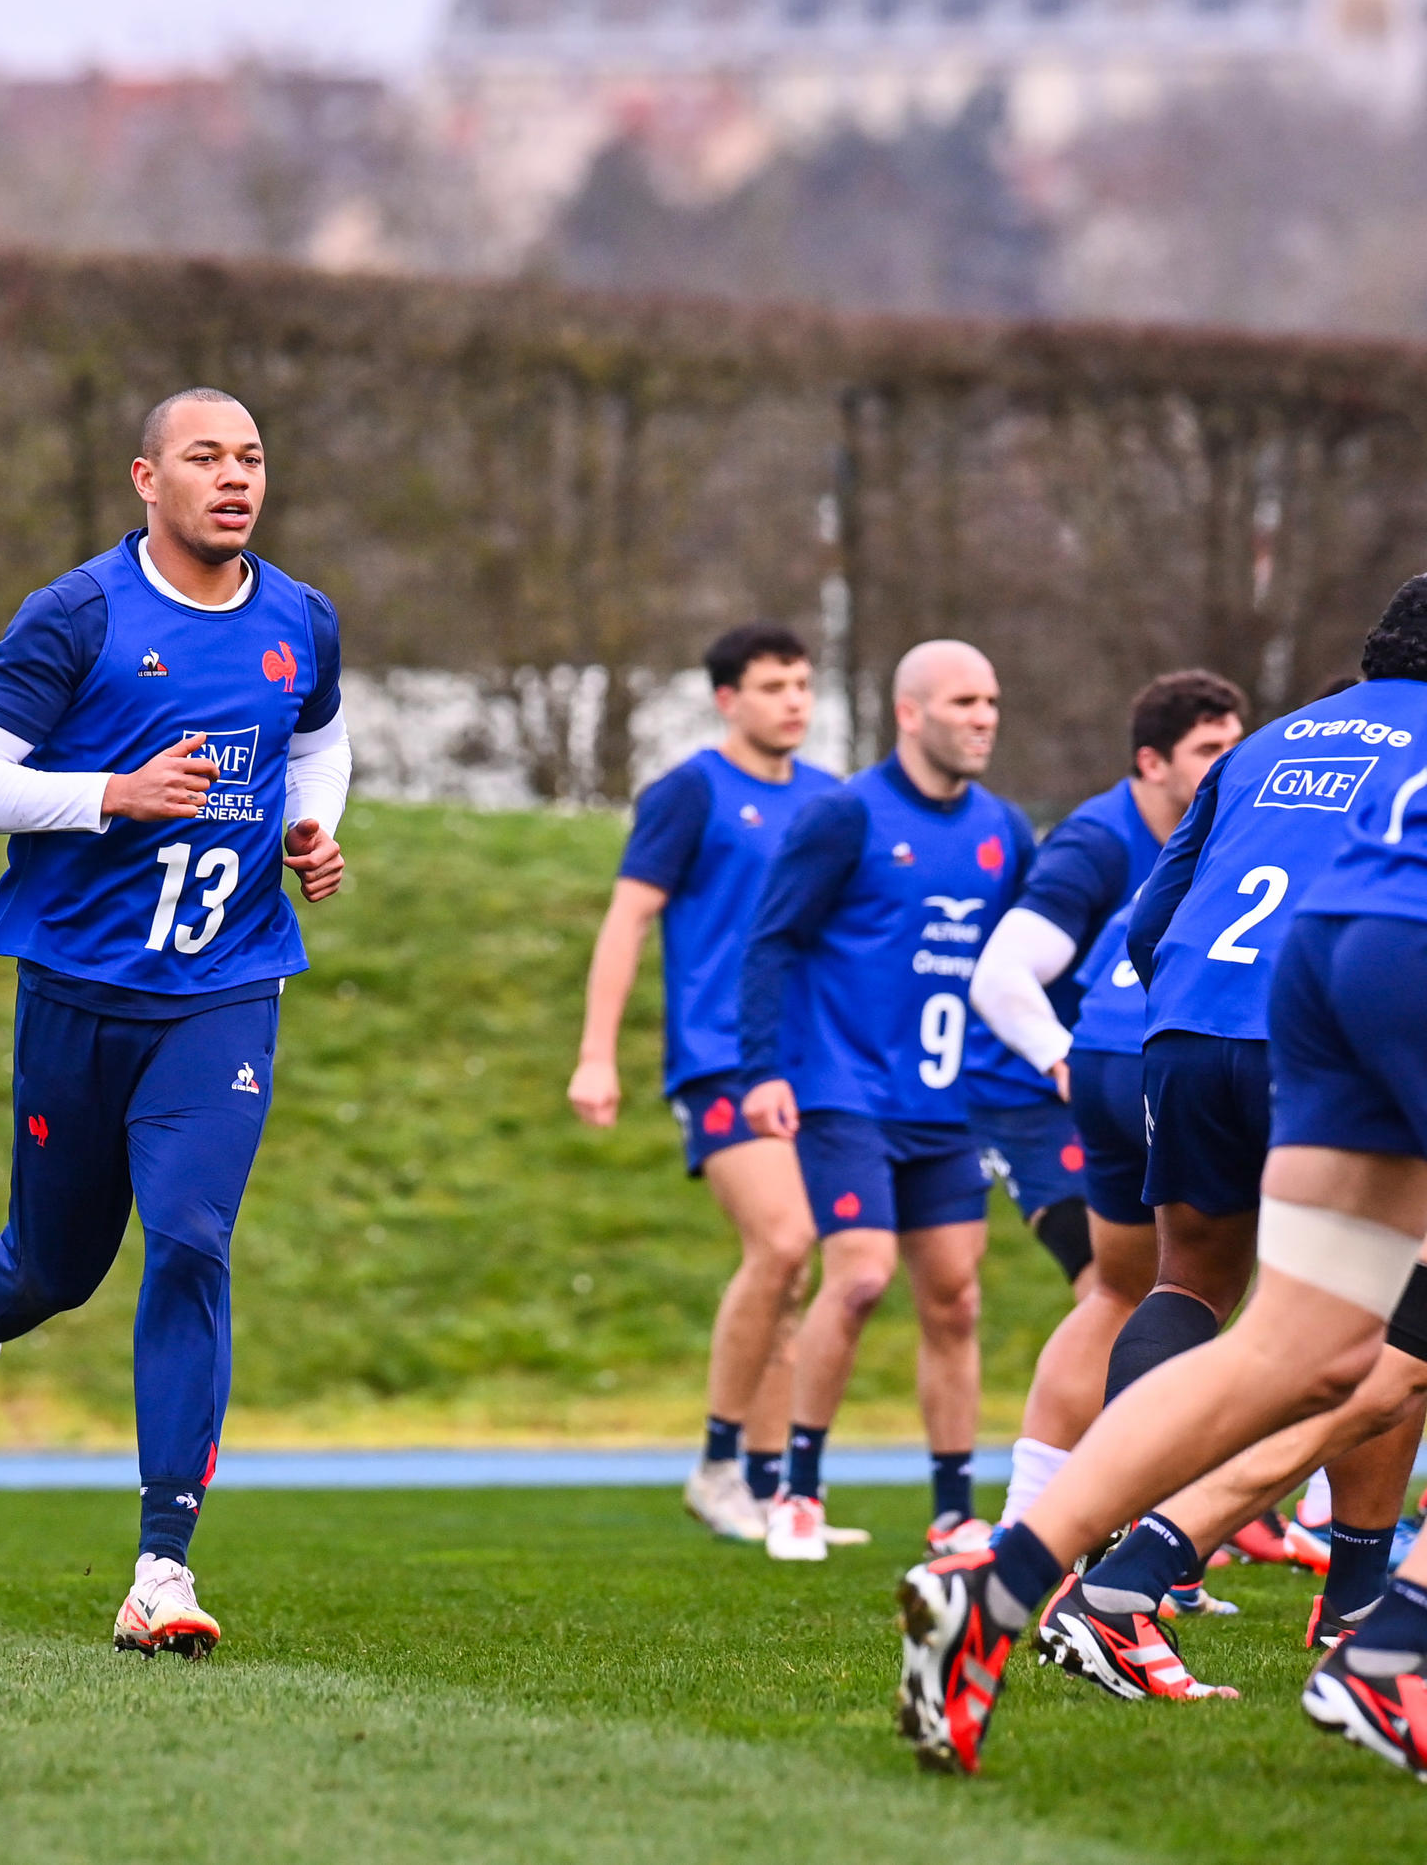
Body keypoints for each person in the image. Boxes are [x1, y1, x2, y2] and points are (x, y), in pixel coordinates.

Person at [895, 585, 1427, 1776]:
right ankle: (1385, 1643)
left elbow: (1155, 916)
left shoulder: (1276, 737)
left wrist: (1189, 1018)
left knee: (1294, 1338)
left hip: (1222, 1012)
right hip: (1381, 976)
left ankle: (1014, 1579)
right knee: (1386, 1348)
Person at [0, 387, 349, 1658]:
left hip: (222, 989)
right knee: (59, 1266)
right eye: (205, 456)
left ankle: (163, 1564)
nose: (235, 477)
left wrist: (315, 828)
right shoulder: (77, 615)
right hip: (76, 987)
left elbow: (317, 743)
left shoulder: (300, 618)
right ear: (143, 480)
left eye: (253, 456)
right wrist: (112, 793)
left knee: (193, 1240)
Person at [738, 640, 1031, 1562]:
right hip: (844, 1086)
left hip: (949, 1102)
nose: (983, 717)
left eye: (991, 701)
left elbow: (1029, 963)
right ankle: (798, 1491)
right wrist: (763, 1069)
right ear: (910, 712)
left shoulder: (1007, 830)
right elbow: (771, 940)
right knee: (860, 1276)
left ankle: (952, 1508)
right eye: (963, 702)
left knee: (955, 1300)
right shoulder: (845, 816)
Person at [568, 625, 834, 1544]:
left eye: (804, 684)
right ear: (728, 699)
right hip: (719, 1058)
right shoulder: (689, 793)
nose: (794, 700)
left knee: (794, 1276)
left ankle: (767, 1491)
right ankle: (720, 1460)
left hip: (811, 1063)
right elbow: (627, 920)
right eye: (773, 686)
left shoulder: (832, 800)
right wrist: (597, 1053)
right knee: (786, 1240)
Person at [965, 673, 1245, 1536]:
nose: (1229, 767)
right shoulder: (1096, 840)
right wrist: (1054, 1057)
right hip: (1042, 1086)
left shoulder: (1226, 827)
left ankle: (1052, 1526)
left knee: (1128, 1293)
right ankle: (1147, 1525)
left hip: (1127, 1062)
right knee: (1172, 1293)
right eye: (1208, 752)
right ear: (1150, 762)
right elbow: (1000, 977)